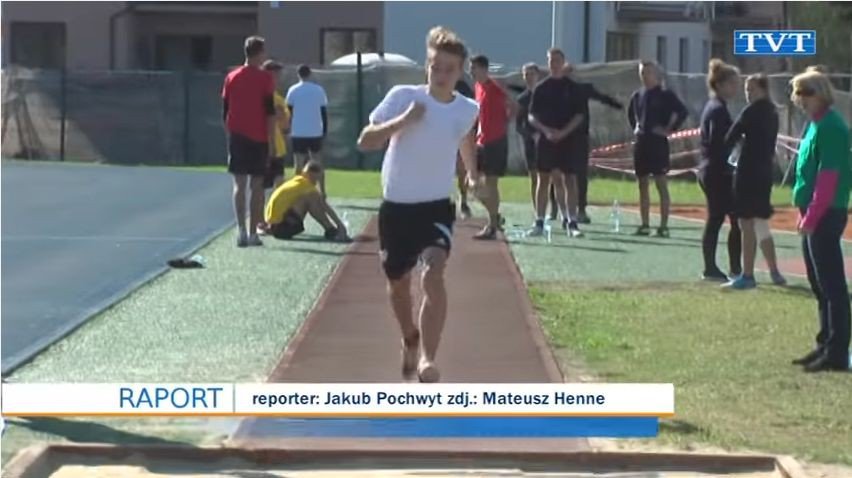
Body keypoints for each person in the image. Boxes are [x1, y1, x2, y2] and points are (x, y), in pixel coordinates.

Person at [356, 26, 480, 383]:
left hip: (436, 207)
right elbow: (365, 141)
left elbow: (465, 140)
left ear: (460, 72)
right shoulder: (403, 97)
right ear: (427, 66)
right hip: (397, 207)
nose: (441, 75)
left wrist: (472, 174)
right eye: (435, 67)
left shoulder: (467, 109)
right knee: (398, 284)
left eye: (449, 69)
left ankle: (428, 358)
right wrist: (404, 120)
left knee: (434, 273)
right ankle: (409, 335)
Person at [789, 70, 850, 372]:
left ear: (821, 93)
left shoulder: (832, 127)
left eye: (806, 93)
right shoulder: (815, 125)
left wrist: (812, 215)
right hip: (812, 211)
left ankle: (837, 351)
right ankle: (824, 342)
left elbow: (828, 178)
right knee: (818, 283)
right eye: (798, 93)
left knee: (831, 285)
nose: (800, 100)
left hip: (826, 212)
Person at [722, 74, 787, 289]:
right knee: (761, 223)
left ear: (763, 90)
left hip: (748, 172)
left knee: (746, 223)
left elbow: (730, 137)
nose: (748, 94)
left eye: (752, 89)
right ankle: (775, 271)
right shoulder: (773, 112)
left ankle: (748, 274)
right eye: (747, 90)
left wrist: (727, 153)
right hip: (765, 172)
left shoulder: (750, 112)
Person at [222, 36, 276, 248]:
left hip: (237, 136)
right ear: (259, 53)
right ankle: (253, 233)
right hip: (258, 137)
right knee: (257, 186)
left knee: (239, 184)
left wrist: (230, 134)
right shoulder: (265, 78)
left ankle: (241, 231)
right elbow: (270, 112)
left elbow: (225, 110)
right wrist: (272, 141)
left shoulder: (231, 77)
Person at [627, 60, 689, 237]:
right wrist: (636, 128)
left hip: (658, 144)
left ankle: (663, 226)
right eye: (642, 73)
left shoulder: (665, 94)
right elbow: (631, 114)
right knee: (642, 184)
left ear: (655, 74)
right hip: (642, 143)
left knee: (661, 183)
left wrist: (669, 129)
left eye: (648, 72)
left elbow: (682, 112)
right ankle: (645, 224)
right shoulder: (637, 95)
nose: (645, 76)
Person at [528, 48, 585, 238]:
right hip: (546, 140)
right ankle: (539, 222)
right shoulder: (541, 88)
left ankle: (572, 222)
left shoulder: (573, 88)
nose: (554, 64)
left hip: (568, 140)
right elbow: (531, 116)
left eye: (557, 60)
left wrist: (564, 132)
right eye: (551, 61)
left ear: (563, 62)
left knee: (570, 179)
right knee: (543, 179)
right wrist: (545, 130)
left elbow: (579, 115)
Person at [561, 61, 624, 224]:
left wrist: (618, 104)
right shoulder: (555, 89)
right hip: (561, 137)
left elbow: (602, 97)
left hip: (580, 137)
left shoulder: (583, 88)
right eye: (565, 72)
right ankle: (560, 209)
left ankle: (581, 210)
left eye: (570, 72)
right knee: (561, 174)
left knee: (580, 174)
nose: (568, 75)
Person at [697, 59, 742, 281]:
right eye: (733, 84)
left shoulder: (716, 107)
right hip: (716, 171)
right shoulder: (717, 110)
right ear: (721, 85)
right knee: (722, 218)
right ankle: (715, 268)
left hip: (712, 169)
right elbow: (719, 141)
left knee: (727, 218)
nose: (736, 88)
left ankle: (731, 267)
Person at [470, 54, 516, 239]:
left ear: (483, 68)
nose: (471, 71)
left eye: (474, 67)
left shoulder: (495, 88)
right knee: (471, 183)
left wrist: (503, 124)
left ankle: (492, 226)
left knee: (491, 183)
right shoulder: (478, 87)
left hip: (495, 141)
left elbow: (513, 105)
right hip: (481, 141)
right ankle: (495, 217)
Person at [259, 161, 350, 242]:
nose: (317, 182)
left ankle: (330, 229)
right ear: (311, 174)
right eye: (317, 178)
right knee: (310, 199)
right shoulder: (306, 186)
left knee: (307, 198)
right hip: (282, 229)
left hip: (274, 227)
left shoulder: (297, 181)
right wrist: (340, 225)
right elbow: (324, 206)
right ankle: (330, 230)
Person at [515, 63, 558, 218]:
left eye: (531, 74)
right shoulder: (522, 99)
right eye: (526, 74)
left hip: (547, 141)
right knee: (534, 177)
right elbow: (518, 125)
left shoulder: (547, 95)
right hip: (531, 143)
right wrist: (530, 135)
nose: (529, 77)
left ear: (538, 75)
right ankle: (537, 211)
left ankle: (554, 208)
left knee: (551, 177)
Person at [286, 65, 329, 196]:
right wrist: (324, 130)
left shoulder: (293, 90)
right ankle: (322, 191)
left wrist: (288, 129)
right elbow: (323, 112)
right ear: (310, 74)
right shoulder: (318, 90)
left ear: (298, 75)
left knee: (298, 164)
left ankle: (297, 191)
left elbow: (288, 112)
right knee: (318, 162)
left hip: (298, 132)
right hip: (315, 131)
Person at [262, 60, 291, 191]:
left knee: (279, 180)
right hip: (266, 145)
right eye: (276, 74)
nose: (279, 78)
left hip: (278, 146)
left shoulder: (277, 97)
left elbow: (284, 124)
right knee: (262, 184)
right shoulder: (265, 96)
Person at [454, 78, 476, 219]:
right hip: (441, 136)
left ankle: (463, 200)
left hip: (460, 134)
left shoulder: (463, 87)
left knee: (463, 170)